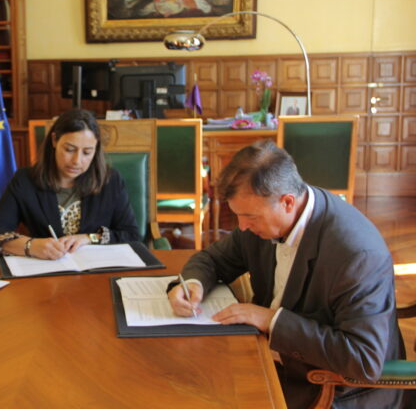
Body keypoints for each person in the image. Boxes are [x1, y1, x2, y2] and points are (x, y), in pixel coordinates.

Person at [167, 140, 403, 409]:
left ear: (288, 202)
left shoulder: (356, 255)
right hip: (269, 359)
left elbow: (363, 359)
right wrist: (193, 284)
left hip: (331, 390)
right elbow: (212, 258)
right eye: (238, 216)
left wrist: (271, 320)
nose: (242, 227)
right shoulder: (265, 217)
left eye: (249, 217)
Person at [0, 109, 140, 259]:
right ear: (54, 140)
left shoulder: (110, 180)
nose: (77, 161)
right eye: (69, 149)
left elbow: (131, 235)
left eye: (87, 152)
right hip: (47, 273)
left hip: (97, 273)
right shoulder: (25, 180)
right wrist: (30, 245)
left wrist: (90, 238)